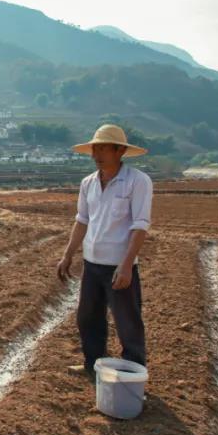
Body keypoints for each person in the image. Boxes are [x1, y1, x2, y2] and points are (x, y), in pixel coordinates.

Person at [56, 124, 153, 381]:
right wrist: (68, 254)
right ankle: (92, 364)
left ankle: (133, 374)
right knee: (87, 317)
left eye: (102, 149)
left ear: (120, 150)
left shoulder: (137, 181)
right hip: (92, 264)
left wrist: (126, 264)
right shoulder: (88, 183)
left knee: (127, 323)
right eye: (94, 149)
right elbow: (82, 220)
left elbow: (140, 225)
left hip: (118, 265)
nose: (96, 154)